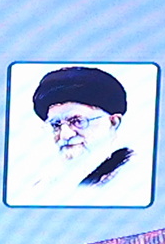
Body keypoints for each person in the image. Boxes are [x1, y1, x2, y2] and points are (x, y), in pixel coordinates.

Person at [30, 66, 141, 196]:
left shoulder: (133, 178)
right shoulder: (45, 187)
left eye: (77, 121)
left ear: (113, 122)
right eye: (56, 125)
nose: (65, 135)